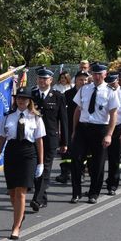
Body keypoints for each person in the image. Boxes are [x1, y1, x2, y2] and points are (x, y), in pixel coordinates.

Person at [0, 87, 45, 240]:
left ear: (29, 101)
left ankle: (16, 227)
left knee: (21, 191)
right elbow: (2, 138)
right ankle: (19, 214)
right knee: (12, 191)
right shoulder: (8, 116)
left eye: (24, 98)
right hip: (12, 152)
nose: (21, 100)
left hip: (28, 153)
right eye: (18, 98)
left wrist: (41, 163)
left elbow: (39, 141)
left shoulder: (35, 118)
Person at [70, 63, 119, 204]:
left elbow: (113, 114)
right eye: (95, 74)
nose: (97, 77)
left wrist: (109, 134)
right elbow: (77, 110)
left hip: (100, 129)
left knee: (98, 163)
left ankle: (93, 193)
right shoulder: (84, 89)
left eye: (100, 74)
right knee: (76, 159)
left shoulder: (110, 91)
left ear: (105, 74)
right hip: (83, 128)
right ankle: (76, 192)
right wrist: (74, 130)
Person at [30, 68, 68, 211]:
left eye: (45, 79)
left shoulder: (58, 96)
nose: (42, 81)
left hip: (50, 138)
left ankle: (37, 198)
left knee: (45, 167)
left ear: (51, 80)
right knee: (35, 167)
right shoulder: (32, 95)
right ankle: (42, 196)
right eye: (40, 78)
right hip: (33, 137)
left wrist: (64, 142)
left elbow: (63, 121)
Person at [56, 71, 89, 184]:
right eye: (81, 79)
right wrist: (60, 128)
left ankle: (81, 173)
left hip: (84, 126)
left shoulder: (89, 93)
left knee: (82, 152)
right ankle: (65, 173)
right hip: (69, 126)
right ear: (76, 80)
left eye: (85, 80)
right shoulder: (68, 94)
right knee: (66, 151)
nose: (83, 82)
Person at [105, 72, 121, 195]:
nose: (111, 85)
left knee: (114, 157)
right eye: (109, 83)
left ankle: (113, 184)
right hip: (103, 126)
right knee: (99, 158)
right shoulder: (104, 91)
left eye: (113, 82)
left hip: (118, 127)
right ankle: (97, 183)